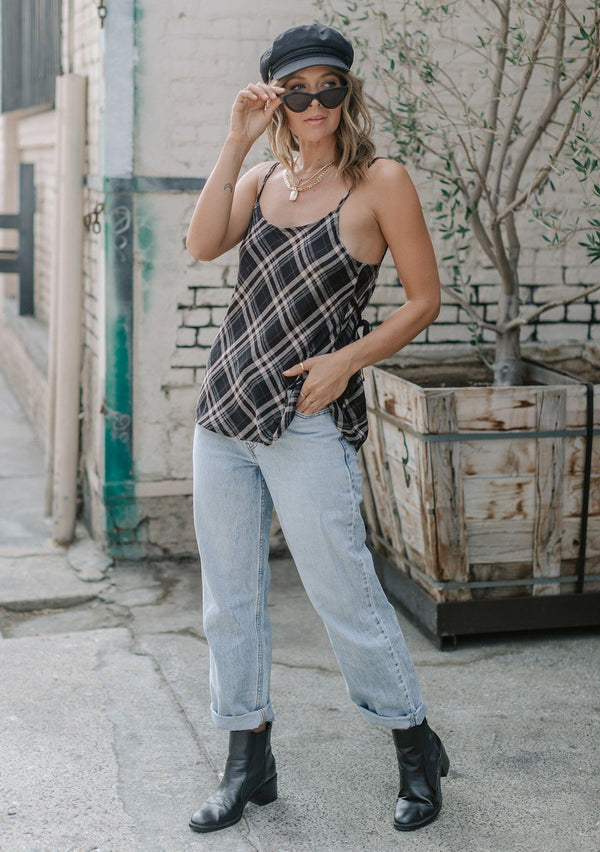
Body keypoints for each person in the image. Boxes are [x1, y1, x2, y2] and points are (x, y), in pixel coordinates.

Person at [185, 22, 447, 835]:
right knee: (231, 601)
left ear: (347, 92)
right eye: (296, 90)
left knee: (345, 594)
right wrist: (234, 141)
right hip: (225, 413)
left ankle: (414, 744)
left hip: (305, 421)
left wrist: (348, 362)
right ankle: (247, 759)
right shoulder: (261, 175)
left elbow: (421, 300)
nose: (314, 102)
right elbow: (201, 244)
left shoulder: (381, 182)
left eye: (329, 86)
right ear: (276, 98)